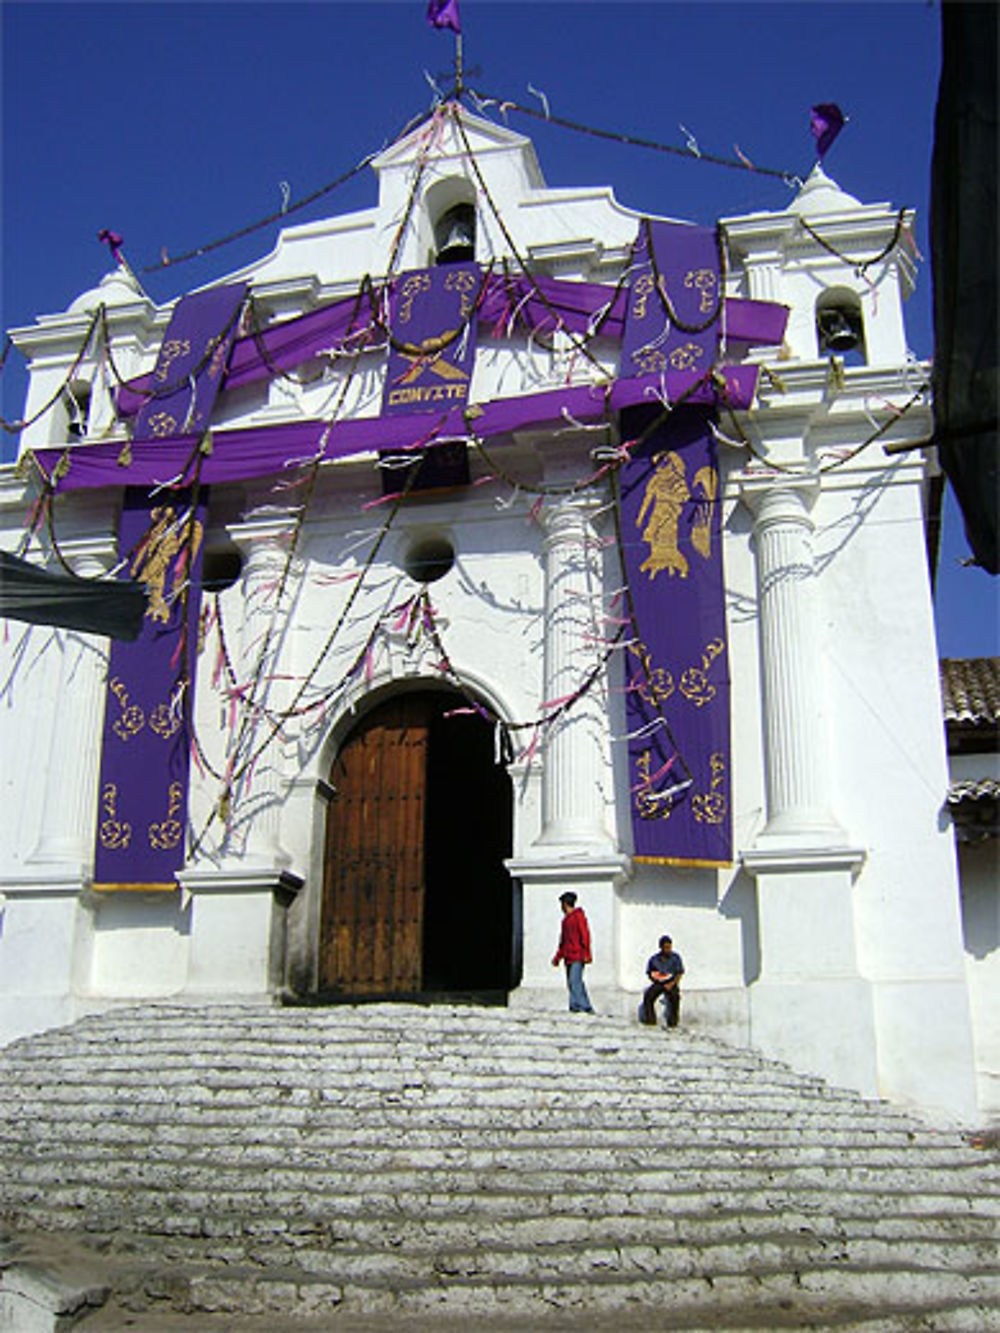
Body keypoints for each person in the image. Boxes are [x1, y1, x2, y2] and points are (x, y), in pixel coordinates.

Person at [551, 891, 594, 1013]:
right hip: (568, 956)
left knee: (574, 981)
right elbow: (563, 941)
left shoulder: (578, 917)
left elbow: (584, 934)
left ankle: (583, 1006)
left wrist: (587, 953)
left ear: (565, 904)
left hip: (577, 955)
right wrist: (558, 957)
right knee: (573, 982)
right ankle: (574, 1004)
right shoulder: (565, 921)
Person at [641, 934, 684, 1028]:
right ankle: (650, 1020)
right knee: (648, 996)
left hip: (671, 982)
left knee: (675, 997)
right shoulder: (654, 959)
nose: (668, 950)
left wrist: (672, 983)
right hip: (658, 983)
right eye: (665, 948)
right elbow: (650, 972)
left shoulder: (676, 958)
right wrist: (655, 978)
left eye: (669, 947)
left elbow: (679, 973)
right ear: (661, 947)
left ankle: (673, 1022)